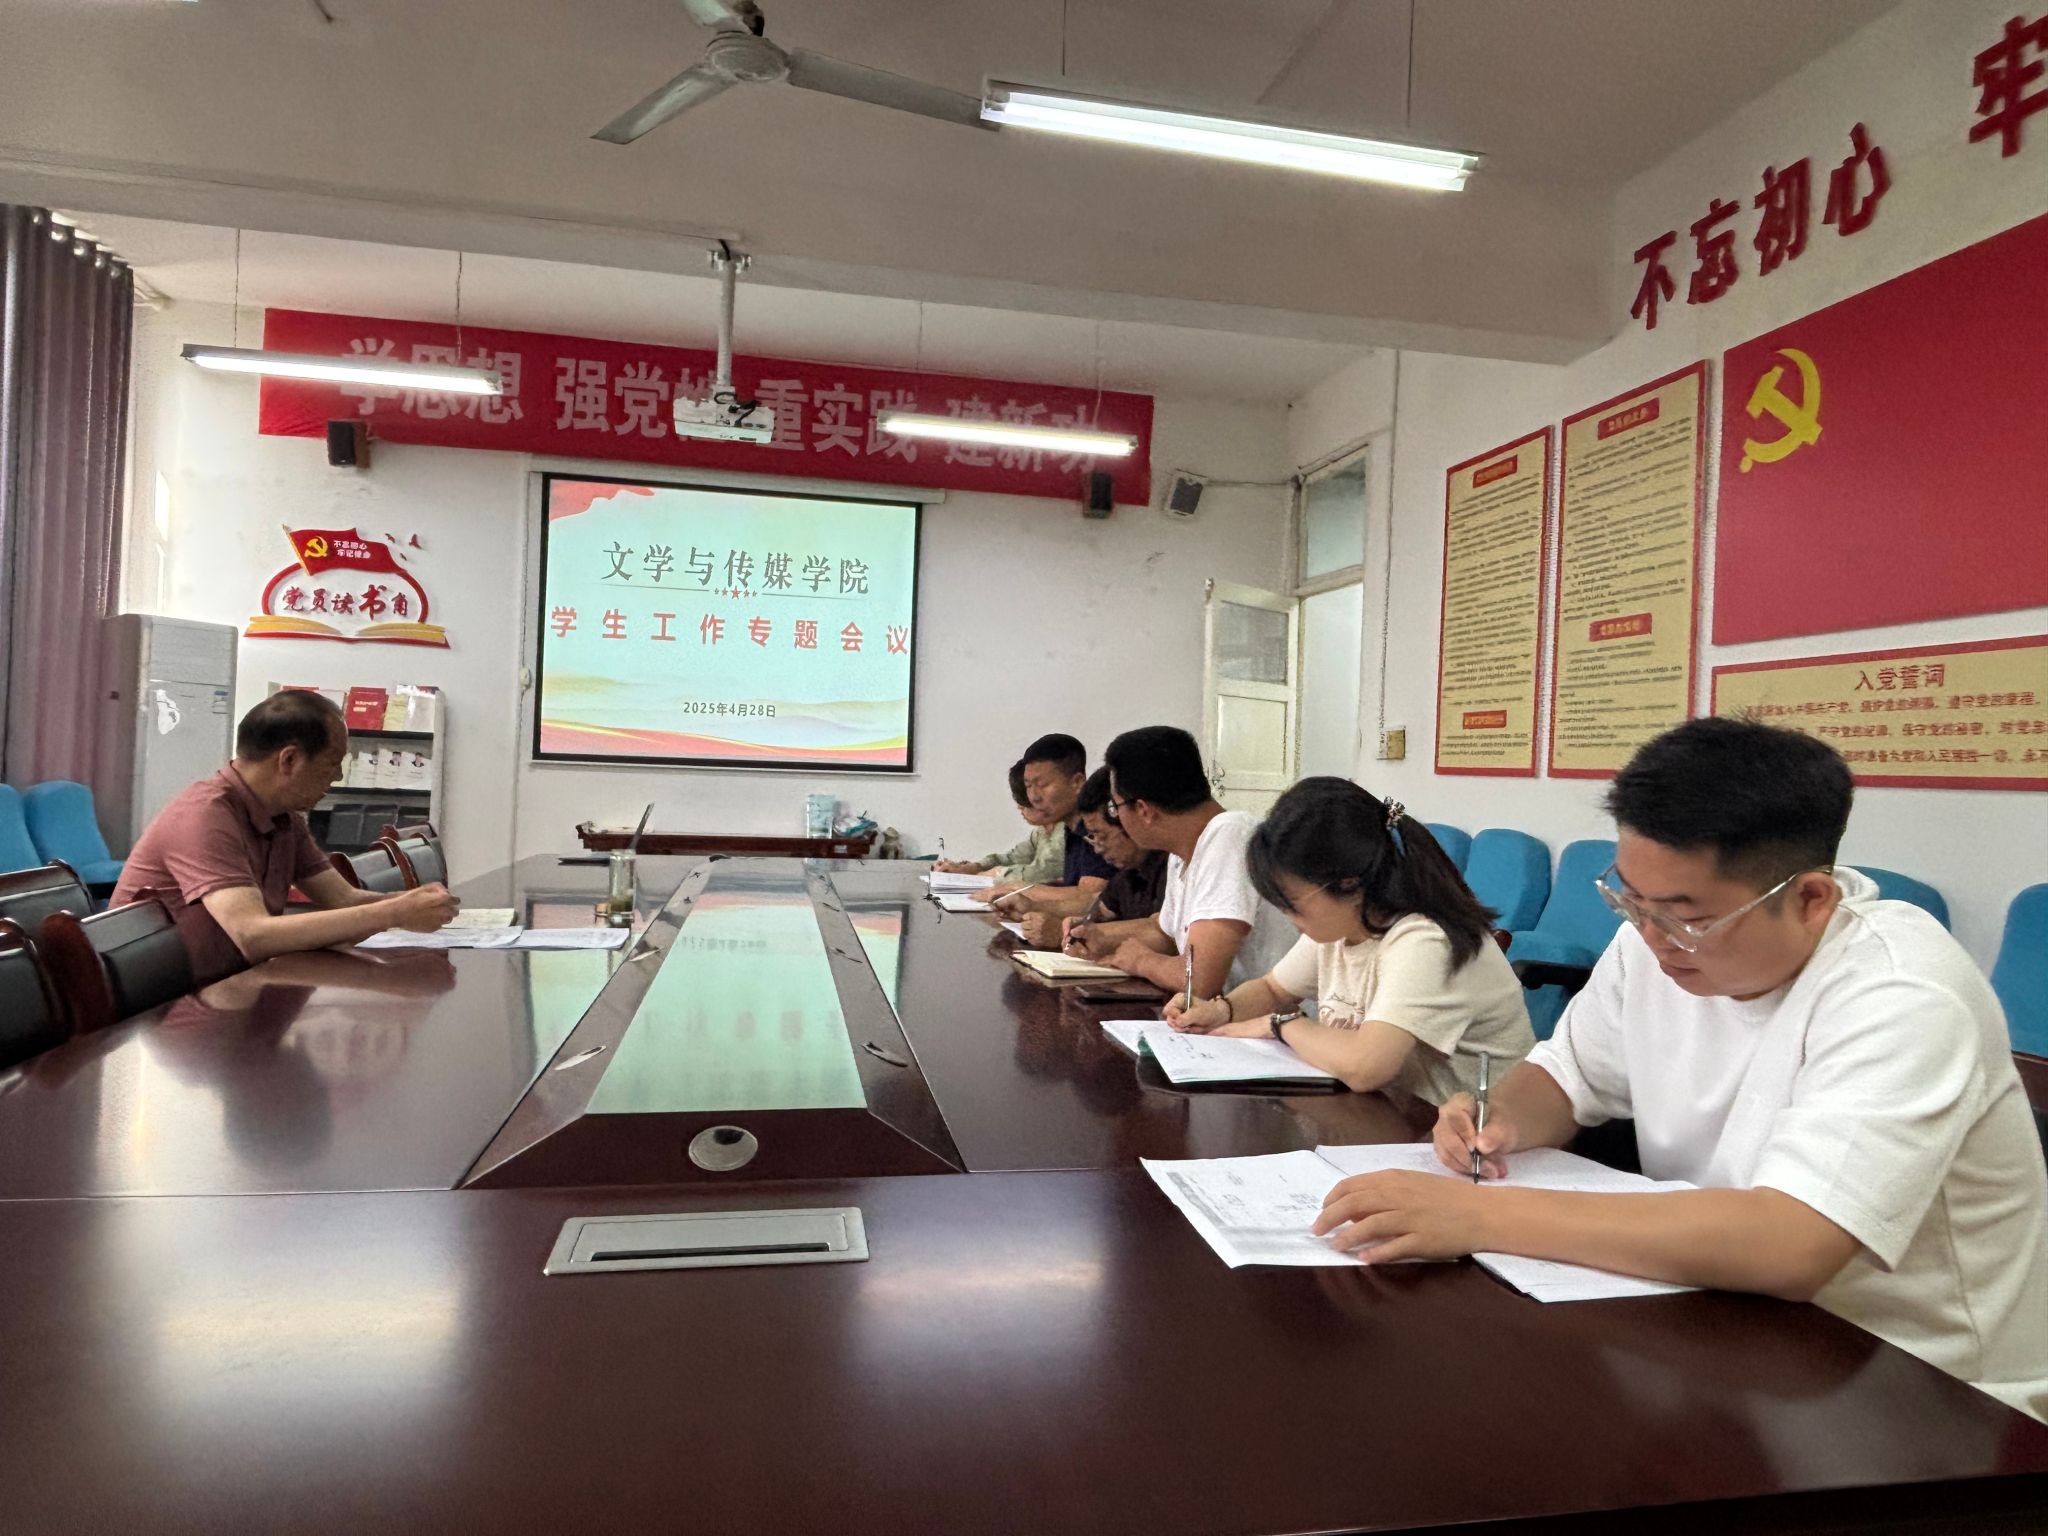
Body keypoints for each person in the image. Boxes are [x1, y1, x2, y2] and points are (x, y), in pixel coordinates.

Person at [1312, 717, 2048, 1420]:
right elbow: (1566, 1079)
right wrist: (1497, 1114)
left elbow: (1792, 1243)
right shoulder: (1653, 943)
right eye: (1629, 901)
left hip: (1924, 1387)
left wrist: (1474, 1215)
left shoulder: (1902, 992)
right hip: (1725, 1324)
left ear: (1810, 900)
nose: (1652, 935)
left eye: (1684, 915)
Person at [1164, 776, 1533, 1101]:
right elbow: (1273, 989)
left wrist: (1281, 1025)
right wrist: (1220, 1011)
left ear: (1348, 884)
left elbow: (1366, 1067)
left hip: (1478, 1135)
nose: (1289, 919)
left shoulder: (1424, 938)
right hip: (1396, 1120)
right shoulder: (1345, 924)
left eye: (1293, 904)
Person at [113, 689, 460, 987]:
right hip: (167, 1010)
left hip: (235, 986)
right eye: (331, 763)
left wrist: (413, 902)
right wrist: (393, 913)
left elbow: (344, 899)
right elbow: (252, 934)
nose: (337, 776)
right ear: (289, 760)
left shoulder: (285, 818)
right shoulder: (204, 816)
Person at [1063, 725, 1290, 997]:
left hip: (1266, 1017)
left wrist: (1141, 961)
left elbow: (1199, 980)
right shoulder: (1182, 852)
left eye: (1115, 806)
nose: (1117, 816)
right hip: (1221, 1014)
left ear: (1143, 810)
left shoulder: (1229, 836)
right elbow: (1165, 934)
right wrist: (1102, 936)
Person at [1016, 768, 1165, 948]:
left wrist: (1070, 935)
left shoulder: (1170, 868)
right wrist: (1032, 906)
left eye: (1101, 836)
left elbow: (1164, 933)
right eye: (1092, 838)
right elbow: (1100, 909)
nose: (1097, 849)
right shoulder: (1128, 874)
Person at [985, 733, 1113, 918]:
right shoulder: (1069, 827)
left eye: (1043, 785)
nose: (1034, 797)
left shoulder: (1097, 827)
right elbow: (1071, 885)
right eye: (1029, 786)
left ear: (1077, 782)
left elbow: (1089, 895)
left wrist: (1019, 888)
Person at [933, 759, 1065, 884]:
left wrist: (993, 873)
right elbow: (1012, 859)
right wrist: (970, 868)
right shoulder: (1041, 831)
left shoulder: (1066, 830)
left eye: (1022, 803)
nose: (1019, 807)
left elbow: (1044, 873)